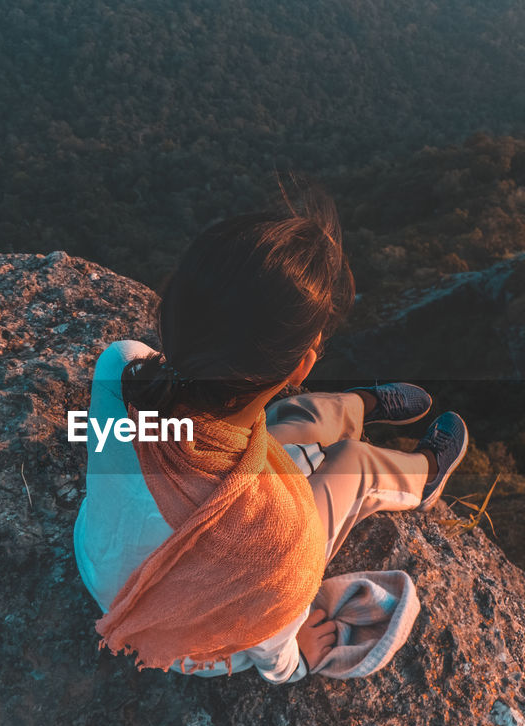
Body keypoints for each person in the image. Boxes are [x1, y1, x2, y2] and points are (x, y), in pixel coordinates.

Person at [72, 176, 468, 683]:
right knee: (351, 461)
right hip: (186, 633)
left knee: (276, 423)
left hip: (96, 560)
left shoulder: (120, 371)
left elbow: (143, 439)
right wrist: (299, 656)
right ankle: (426, 474)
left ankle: (361, 405)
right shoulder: (281, 539)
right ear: (301, 364)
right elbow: (270, 649)